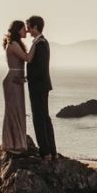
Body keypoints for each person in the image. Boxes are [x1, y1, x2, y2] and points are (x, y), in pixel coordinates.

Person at [0, 20, 42, 152]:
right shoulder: (12, 44)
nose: (26, 31)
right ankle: (12, 144)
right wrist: (36, 42)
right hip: (13, 80)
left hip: (16, 79)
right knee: (13, 111)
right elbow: (28, 58)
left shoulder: (16, 43)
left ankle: (16, 142)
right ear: (17, 30)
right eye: (24, 29)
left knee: (18, 110)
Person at [25, 15, 57, 160]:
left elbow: (42, 66)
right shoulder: (40, 42)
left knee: (40, 118)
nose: (27, 29)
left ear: (35, 27)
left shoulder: (41, 43)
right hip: (40, 85)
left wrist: (28, 78)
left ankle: (45, 152)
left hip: (39, 86)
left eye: (29, 26)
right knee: (44, 117)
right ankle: (51, 151)